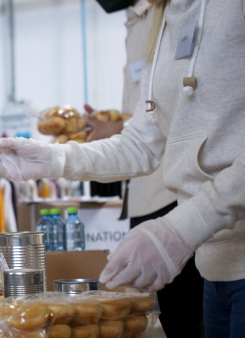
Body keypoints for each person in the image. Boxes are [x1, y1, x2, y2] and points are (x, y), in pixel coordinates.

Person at [0, 0, 245, 335]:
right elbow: (143, 142)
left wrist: (185, 226)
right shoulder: (163, 17)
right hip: (215, 272)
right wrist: (56, 158)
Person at [85, 0, 205, 336]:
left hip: (175, 194)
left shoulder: (184, 12)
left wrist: (119, 130)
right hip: (146, 192)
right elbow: (148, 120)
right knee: (172, 316)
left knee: (190, 316)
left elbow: (185, 112)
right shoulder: (139, 18)